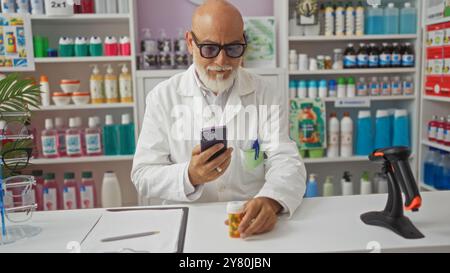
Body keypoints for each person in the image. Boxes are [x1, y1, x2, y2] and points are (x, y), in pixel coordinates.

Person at [132, 0, 306, 238]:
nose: (222, 62)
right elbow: (143, 175)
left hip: (250, 224)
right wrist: (189, 176)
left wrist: (271, 199)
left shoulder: (264, 93)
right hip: (188, 225)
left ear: (244, 42)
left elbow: (286, 159)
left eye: (233, 49)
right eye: (210, 49)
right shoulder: (162, 98)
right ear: (191, 43)